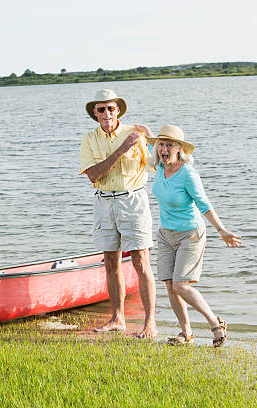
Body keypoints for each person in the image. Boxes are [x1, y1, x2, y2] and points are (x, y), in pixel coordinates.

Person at [146, 124, 242, 347]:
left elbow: (204, 204)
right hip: (165, 235)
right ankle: (186, 332)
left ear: (180, 148)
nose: (164, 149)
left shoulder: (188, 174)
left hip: (190, 234)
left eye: (170, 144)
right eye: (161, 144)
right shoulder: (159, 168)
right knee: (170, 285)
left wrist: (222, 231)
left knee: (181, 286)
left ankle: (216, 323)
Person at [79, 89, 157, 338]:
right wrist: (122, 149)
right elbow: (93, 175)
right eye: (101, 109)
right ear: (95, 113)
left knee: (141, 261)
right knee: (110, 262)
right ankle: (117, 319)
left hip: (133, 200)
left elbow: (156, 164)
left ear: (118, 110)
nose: (106, 113)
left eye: (110, 108)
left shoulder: (136, 134)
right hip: (103, 202)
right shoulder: (90, 139)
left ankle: (150, 323)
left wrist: (152, 138)